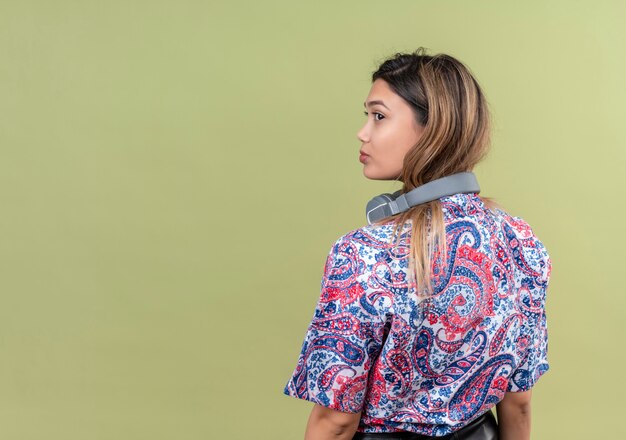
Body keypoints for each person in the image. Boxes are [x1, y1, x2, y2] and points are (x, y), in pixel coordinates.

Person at [283, 47, 552, 440]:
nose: (363, 132)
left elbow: (336, 422)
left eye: (379, 116)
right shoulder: (521, 242)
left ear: (433, 129)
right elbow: (519, 403)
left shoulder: (364, 253)